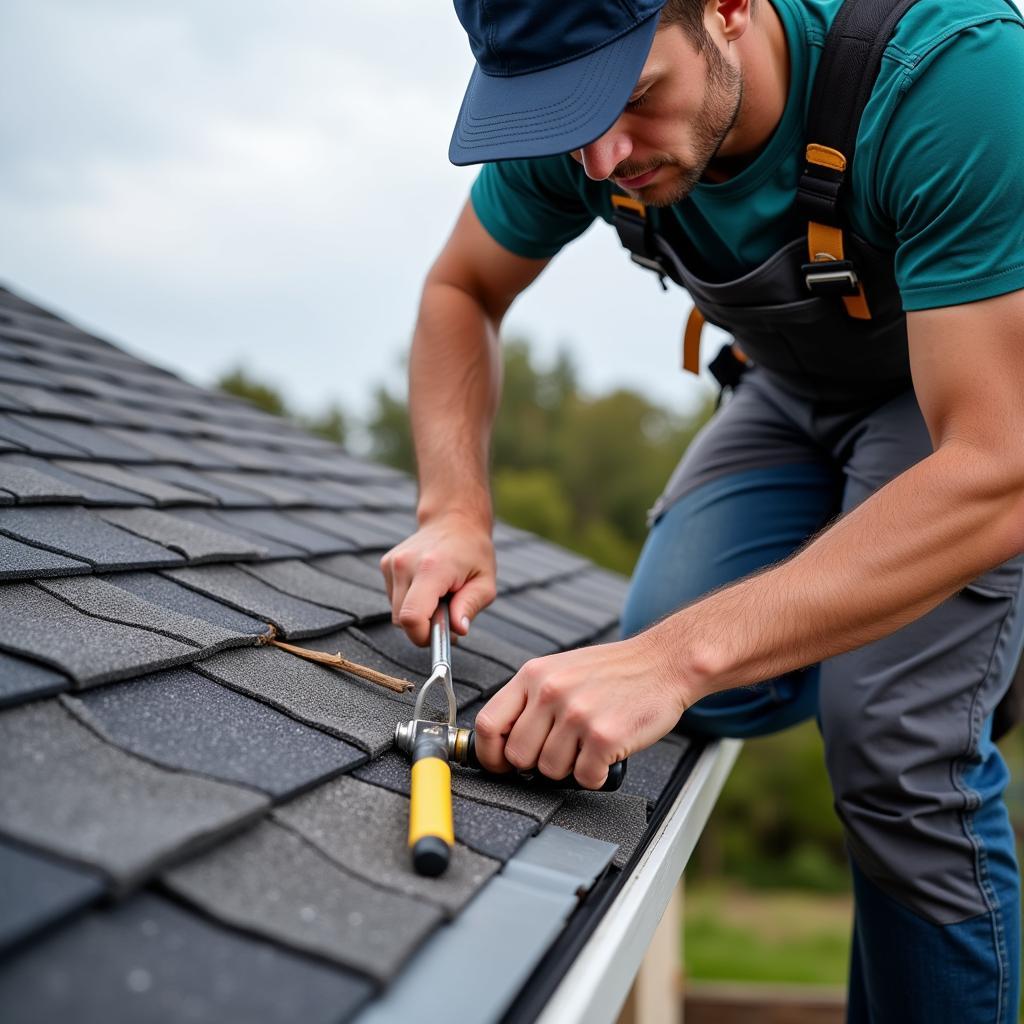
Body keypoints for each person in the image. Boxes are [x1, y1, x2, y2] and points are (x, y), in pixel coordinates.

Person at [379, 0, 1024, 1017]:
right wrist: (455, 505)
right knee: (699, 686)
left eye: (634, 99)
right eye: (563, 118)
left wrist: (674, 656)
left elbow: (998, 469)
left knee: (891, 735)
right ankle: (906, 611)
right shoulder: (584, 122)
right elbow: (459, 290)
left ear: (726, 9)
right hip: (788, 391)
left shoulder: (953, 81)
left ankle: (948, 645)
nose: (599, 161)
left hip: (961, 409)